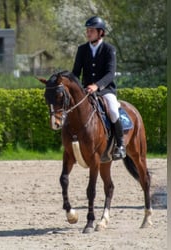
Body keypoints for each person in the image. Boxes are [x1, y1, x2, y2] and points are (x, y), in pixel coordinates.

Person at [72, 16, 126, 160]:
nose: (88, 33)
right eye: (87, 30)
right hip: (86, 91)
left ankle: (120, 145)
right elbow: (76, 73)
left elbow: (110, 73)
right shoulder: (82, 49)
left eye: (91, 30)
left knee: (114, 111)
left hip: (106, 90)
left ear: (100, 32)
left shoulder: (109, 49)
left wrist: (97, 85)